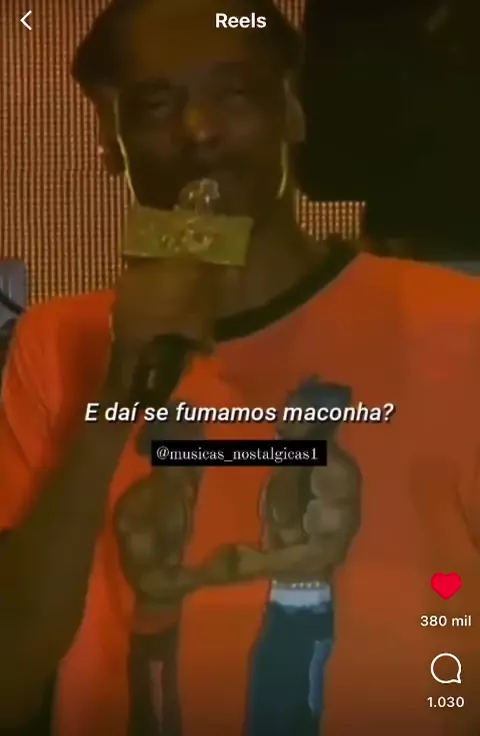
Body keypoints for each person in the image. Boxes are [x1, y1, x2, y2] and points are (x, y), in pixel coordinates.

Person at [0, 1, 479, 735]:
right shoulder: (57, 341)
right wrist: (118, 394)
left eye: (235, 94)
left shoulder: (457, 323)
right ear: (109, 135)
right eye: (156, 104)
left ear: (292, 110)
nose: (199, 131)